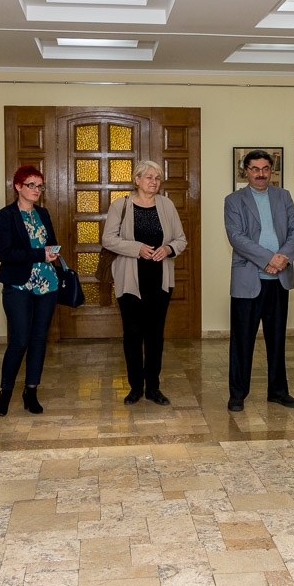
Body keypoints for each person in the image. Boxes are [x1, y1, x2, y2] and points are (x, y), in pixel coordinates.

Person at [102, 160, 188, 405]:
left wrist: (168, 249)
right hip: (130, 281)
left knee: (155, 336)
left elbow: (181, 240)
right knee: (132, 335)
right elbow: (108, 239)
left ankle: (153, 388)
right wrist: (137, 248)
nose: (154, 181)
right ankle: (135, 388)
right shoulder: (121, 205)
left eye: (157, 178)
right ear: (137, 180)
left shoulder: (166, 205)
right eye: (149, 177)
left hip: (160, 282)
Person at [225, 149, 294, 412]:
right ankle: (238, 394)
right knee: (242, 340)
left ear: (271, 171)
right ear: (245, 171)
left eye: (265, 169)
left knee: (277, 339)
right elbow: (236, 237)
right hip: (248, 280)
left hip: (279, 280)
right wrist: (269, 259)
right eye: (255, 169)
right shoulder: (234, 200)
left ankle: (278, 392)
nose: (261, 174)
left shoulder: (283, 196)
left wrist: (281, 260)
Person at [0, 165, 59, 416]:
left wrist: (52, 252)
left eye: (40, 186)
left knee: (39, 339)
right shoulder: (6, 215)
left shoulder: (43, 213)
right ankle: (5, 391)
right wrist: (40, 254)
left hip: (47, 284)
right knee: (19, 340)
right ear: (18, 186)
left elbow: (50, 243)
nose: (36, 190)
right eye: (31, 185)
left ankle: (31, 391)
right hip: (18, 285)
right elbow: (4, 254)